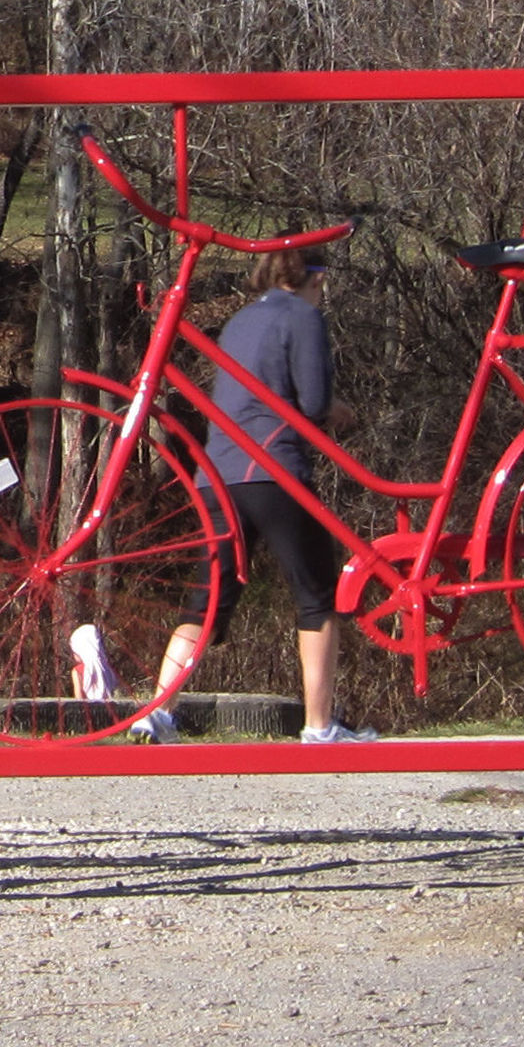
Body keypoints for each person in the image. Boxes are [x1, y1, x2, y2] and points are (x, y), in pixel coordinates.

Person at [142, 246, 373, 744]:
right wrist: (333, 408)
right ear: (316, 277)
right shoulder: (304, 318)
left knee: (207, 601)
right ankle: (319, 725)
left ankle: (157, 711)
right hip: (274, 471)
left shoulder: (240, 320)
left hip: (218, 475)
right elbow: (310, 401)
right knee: (315, 598)